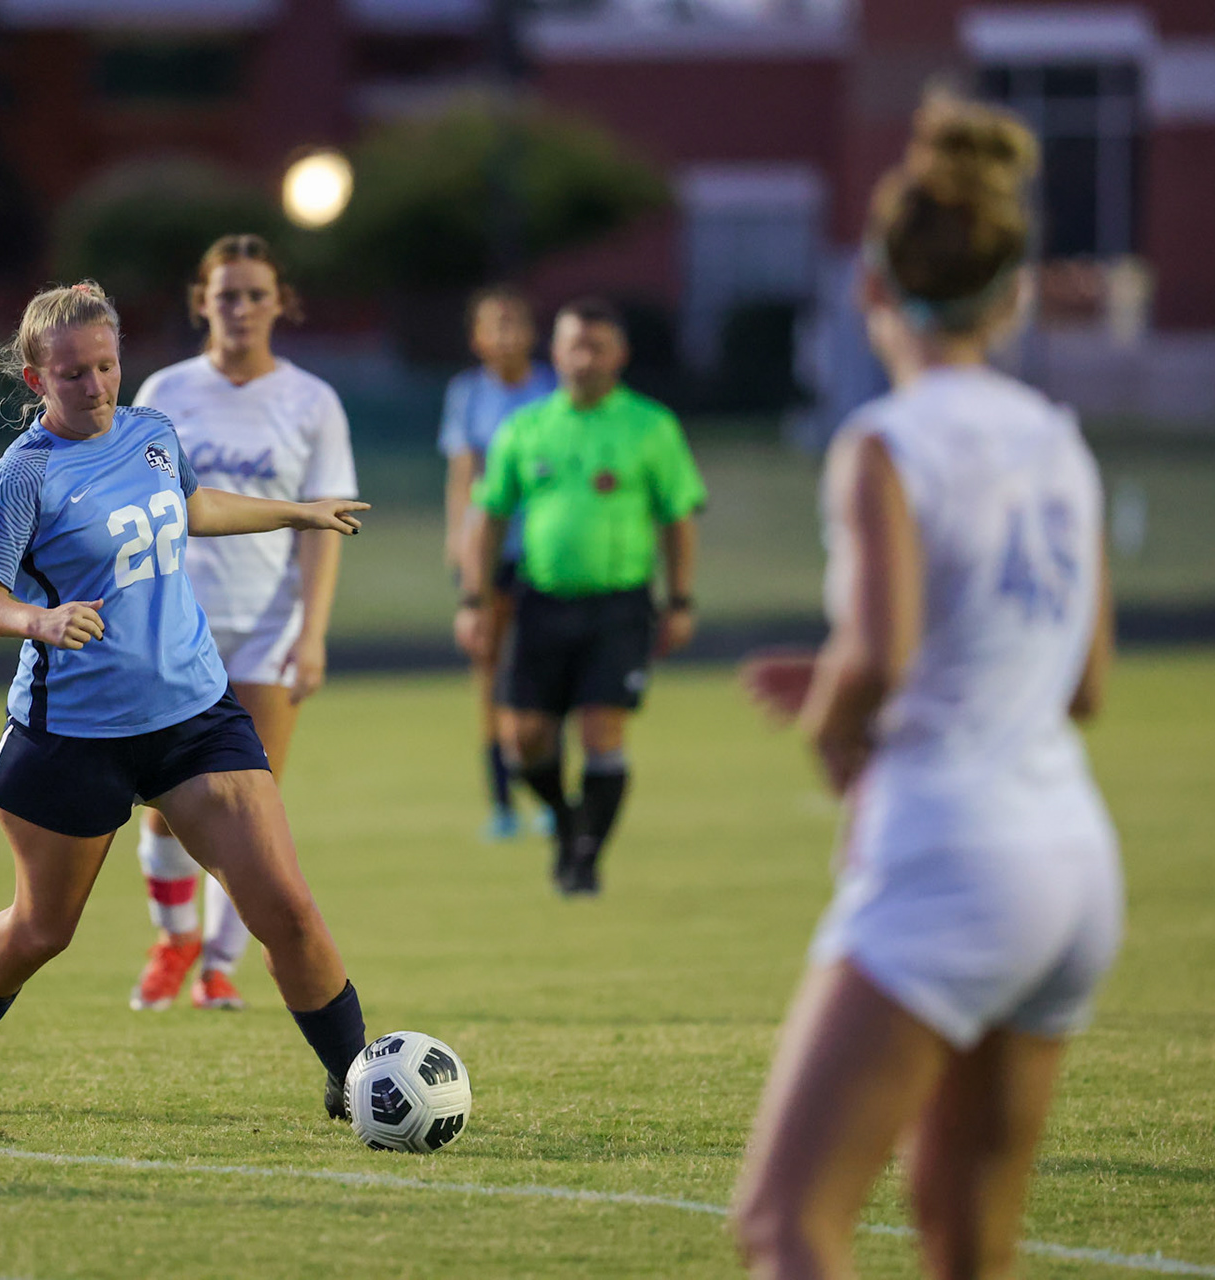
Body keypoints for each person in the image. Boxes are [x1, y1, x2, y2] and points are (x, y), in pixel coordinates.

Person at [729, 96, 1120, 1278]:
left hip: (953, 852)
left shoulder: (885, 442)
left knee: (787, 1221)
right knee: (969, 1243)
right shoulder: (1057, 434)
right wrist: (859, 671)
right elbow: (1085, 681)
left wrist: (835, 724)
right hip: (1073, 861)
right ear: (1010, 298)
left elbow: (885, 655)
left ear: (871, 287)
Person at [0, 281, 373, 1122]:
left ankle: (359, 1082)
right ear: (33, 379)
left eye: (107, 366)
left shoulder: (153, 435)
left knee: (287, 908)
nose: (96, 387)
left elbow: (193, 508)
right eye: (74, 374)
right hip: (73, 733)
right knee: (42, 930)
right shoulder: (26, 477)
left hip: (194, 715)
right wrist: (38, 619)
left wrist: (297, 513)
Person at [123, 233, 358, 1014]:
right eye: (227, 294)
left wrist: (312, 633)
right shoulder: (165, 391)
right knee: (163, 804)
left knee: (250, 804)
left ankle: (219, 966)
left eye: (257, 294)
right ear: (202, 302)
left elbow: (323, 526)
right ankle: (174, 937)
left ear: (280, 304)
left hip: (268, 630)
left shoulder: (311, 400)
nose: (243, 308)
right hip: (173, 628)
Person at [454, 297, 705, 896]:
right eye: (572, 346)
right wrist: (474, 599)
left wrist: (682, 600)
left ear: (619, 355)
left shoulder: (652, 426)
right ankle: (568, 825)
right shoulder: (527, 428)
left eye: (596, 346)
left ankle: (585, 858)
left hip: (619, 604)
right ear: (556, 352)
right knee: (524, 738)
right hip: (540, 601)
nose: (582, 358)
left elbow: (679, 518)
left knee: (601, 734)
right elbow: (487, 518)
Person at [440, 288, 559, 840]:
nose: (507, 335)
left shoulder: (553, 388)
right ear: (477, 338)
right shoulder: (467, 394)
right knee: (489, 673)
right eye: (496, 325)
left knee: (547, 674)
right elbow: (464, 475)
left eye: (516, 323)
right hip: (492, 555)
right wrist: (460, 543)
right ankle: (502, 803)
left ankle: (550, 793)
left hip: (547, 555)